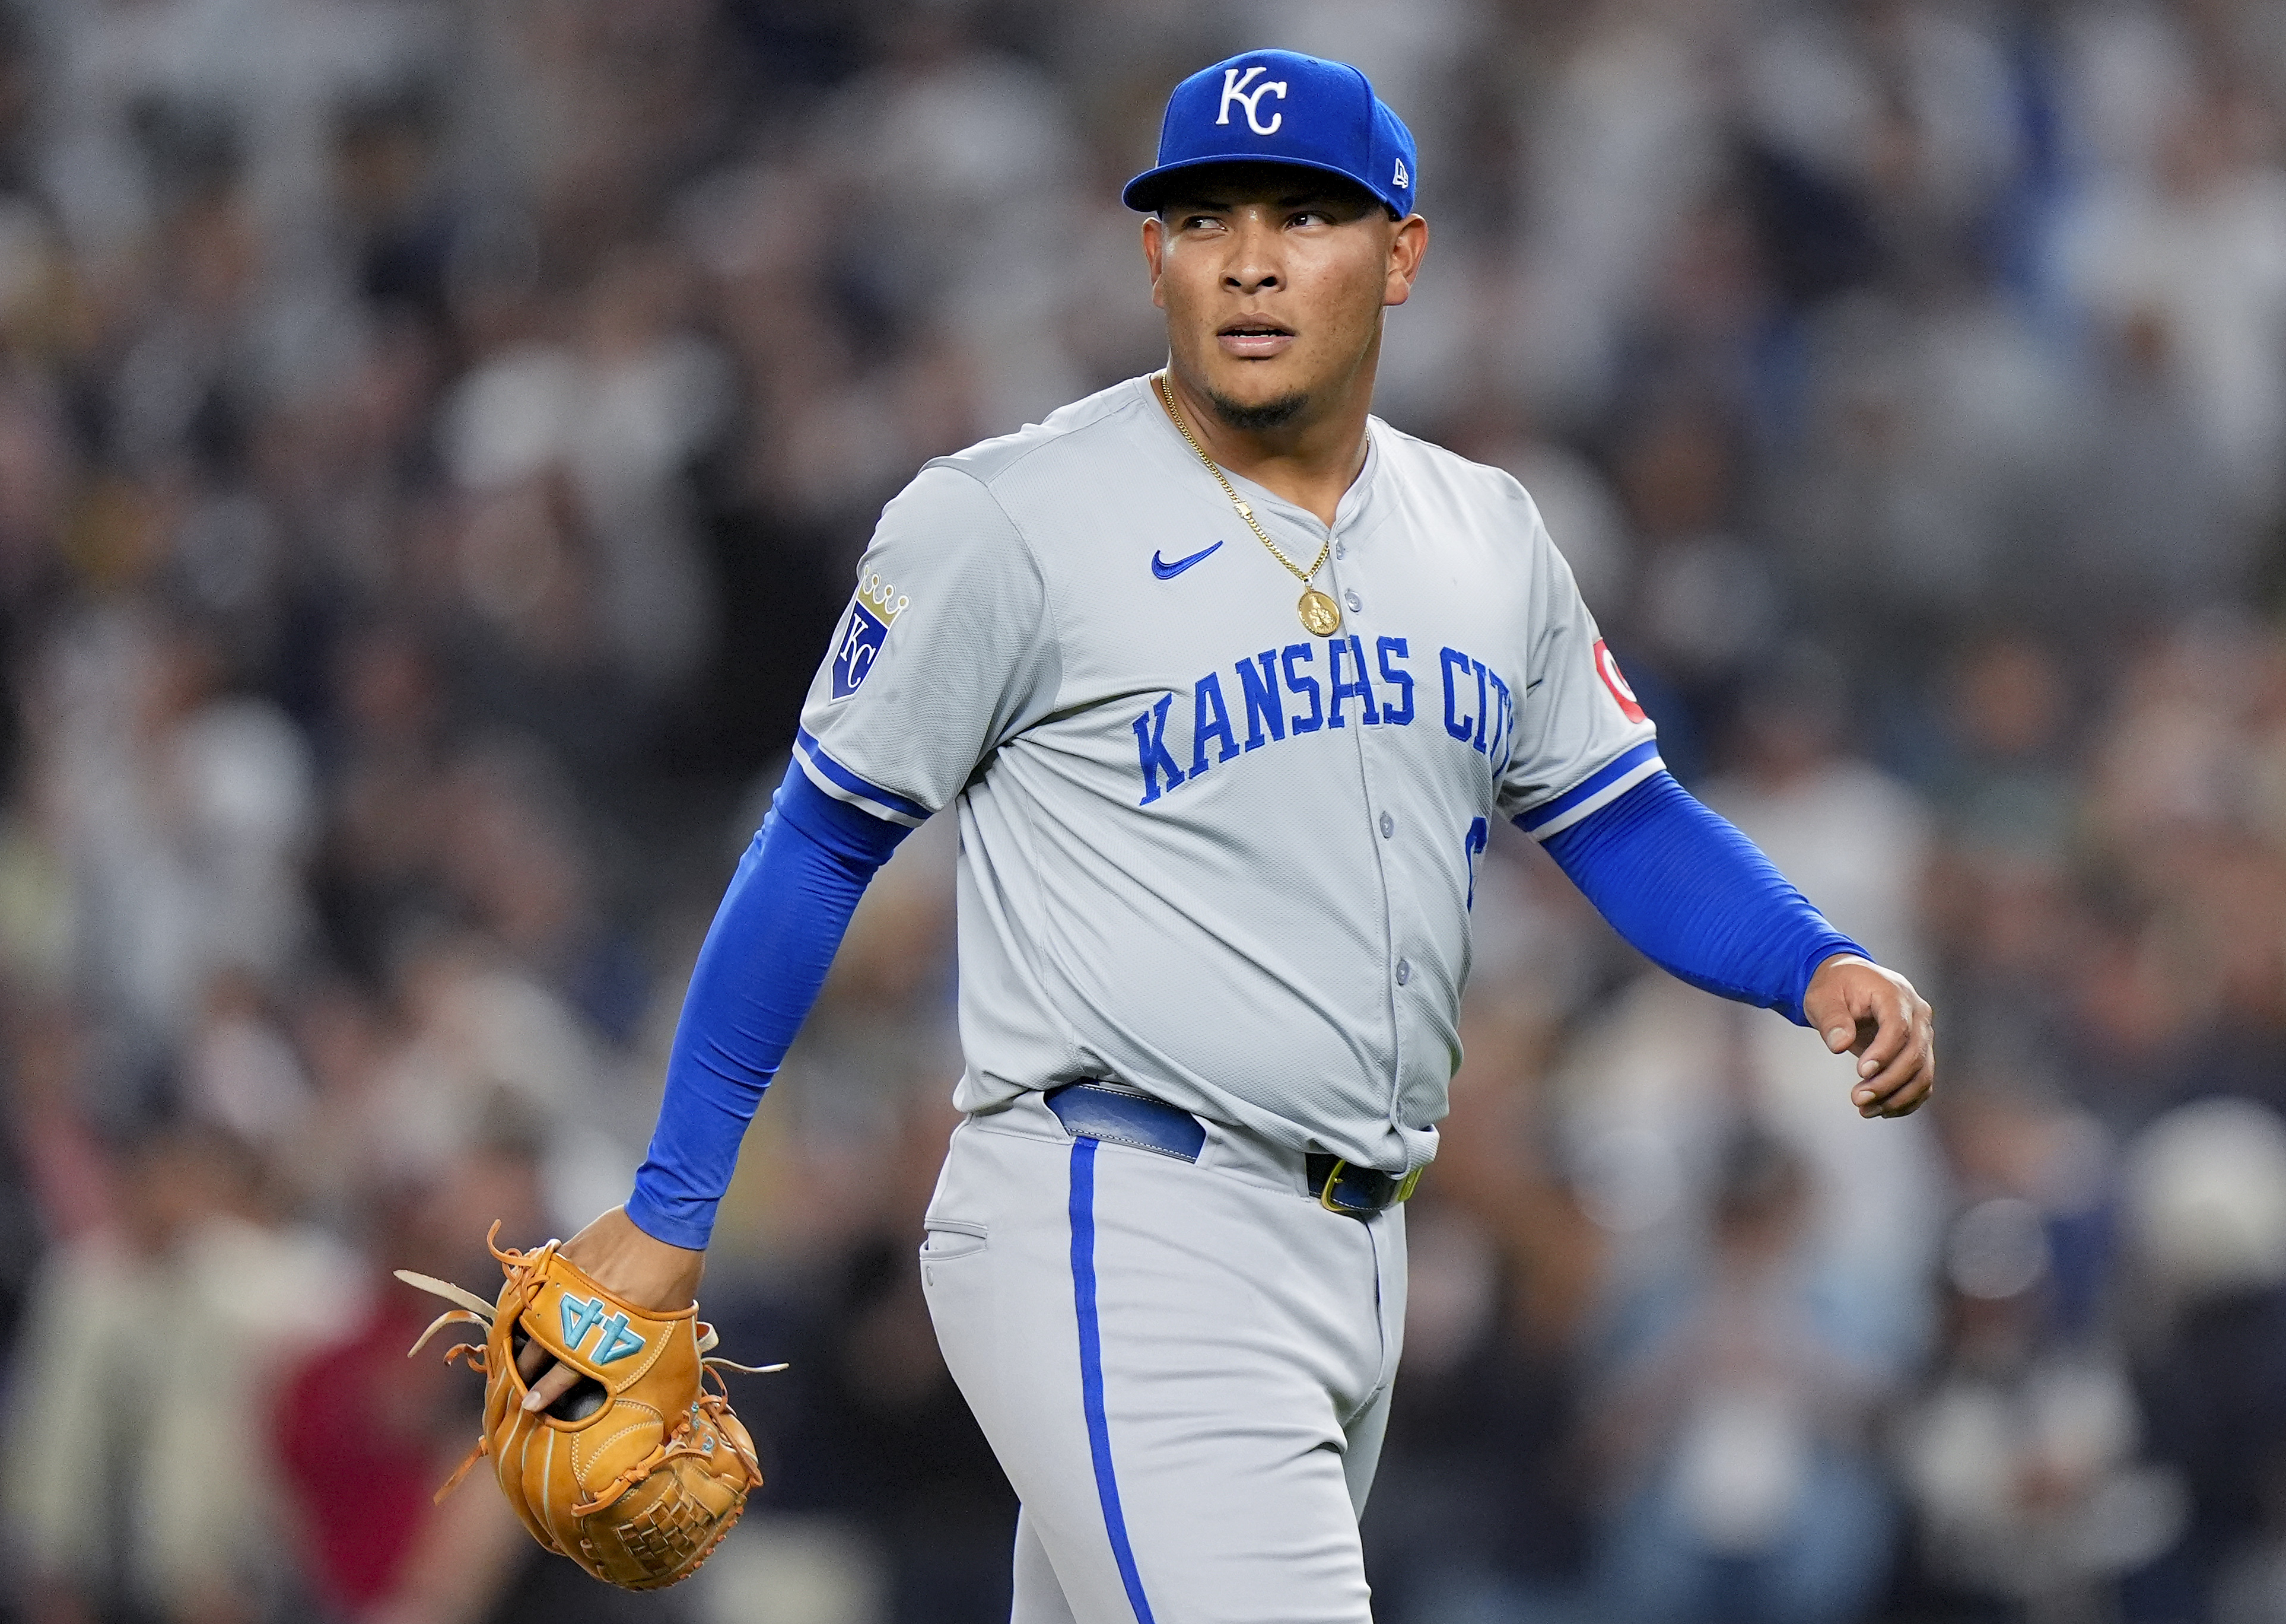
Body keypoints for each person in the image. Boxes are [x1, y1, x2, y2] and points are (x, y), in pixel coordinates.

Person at [518, 49, 1935, 1623]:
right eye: (1204, 217)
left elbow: (1621, 821)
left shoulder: (1487, 533)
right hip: (1118, 1214)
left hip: (1357, 1240)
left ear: (1401, 252)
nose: (1250, 256)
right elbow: (815, 846)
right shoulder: (1008, 518)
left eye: (1306, 214)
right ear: (1153, 255)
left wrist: (1810, 962)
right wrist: (672, 1204)